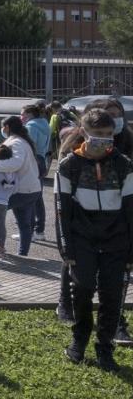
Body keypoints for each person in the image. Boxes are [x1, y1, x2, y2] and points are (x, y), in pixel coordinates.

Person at [55, 108, 133, 372]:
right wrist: (65, 247)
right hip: (82, 240)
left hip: (117, 242)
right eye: (99, 134)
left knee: (112, 296)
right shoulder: (69, 166)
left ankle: (105, 347)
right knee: (84, 290)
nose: (105, 139)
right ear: (85, 133)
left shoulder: (124, 164)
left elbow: (131, 209)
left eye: (109, 134)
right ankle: (80, 339)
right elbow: (61, 210)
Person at [0, 115, 42, 257]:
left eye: (3, 127)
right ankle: (22, 255)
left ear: (7, 127)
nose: (2, 130)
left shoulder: (16, 143)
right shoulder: (23, 141)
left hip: (20, 189)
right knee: (24, 224)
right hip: (32, 189)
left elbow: (15, 163)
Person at [23, 103, 51, 237]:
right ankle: (40, 230)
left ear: (29, 115)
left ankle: (31, 231)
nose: (21, 117)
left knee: (30, 196)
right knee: (38, 197)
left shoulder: (30, 126)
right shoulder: (44, 124)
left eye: (23, 114)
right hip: (41, 159)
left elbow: (29, 145)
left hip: (33, 160)